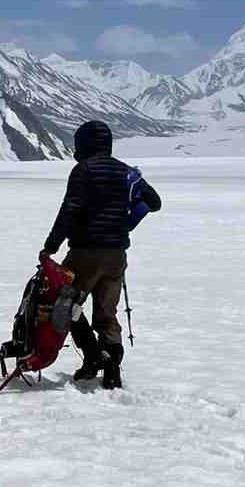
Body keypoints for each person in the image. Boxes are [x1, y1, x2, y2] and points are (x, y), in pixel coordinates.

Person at [40, 120, 161, 389]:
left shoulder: (83, 170)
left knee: (65, 303)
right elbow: (155, 202)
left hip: (85, 252)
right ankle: (112, 369)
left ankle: (93, 356)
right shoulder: (126, 172)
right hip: (117, 255)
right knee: (107, 314)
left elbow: (70, 209)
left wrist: (51, 245)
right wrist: (126, 215)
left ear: (83, 143)